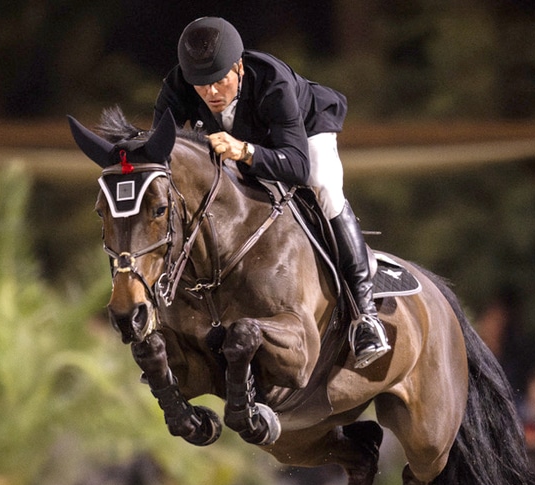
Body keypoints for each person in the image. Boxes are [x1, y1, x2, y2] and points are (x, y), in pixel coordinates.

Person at [153, 16, 390, 369]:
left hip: (303, 134)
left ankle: (365, 314)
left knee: (325, 187)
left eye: (220, 81)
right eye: (201, 86)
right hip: (241, 143)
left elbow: (296, 166)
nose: (212, 93)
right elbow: (159, 153)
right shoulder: (179, 86)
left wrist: (244, 151)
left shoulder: (272, 82)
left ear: (239, 67)